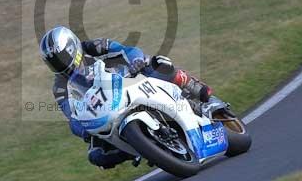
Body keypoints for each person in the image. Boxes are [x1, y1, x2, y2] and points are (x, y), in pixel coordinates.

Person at [39, 26, 212, 169]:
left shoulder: (95, 47)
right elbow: (71, 116)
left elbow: (128, 50)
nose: (59, 64)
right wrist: (82, 129)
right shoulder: (60, 87)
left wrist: (135, 61)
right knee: (96, 155)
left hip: (130, 80)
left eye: (60, 57)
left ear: (72, 48)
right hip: (105, 112)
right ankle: (138, 147)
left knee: (155, 62)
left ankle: (191, 84)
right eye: (53, 62)